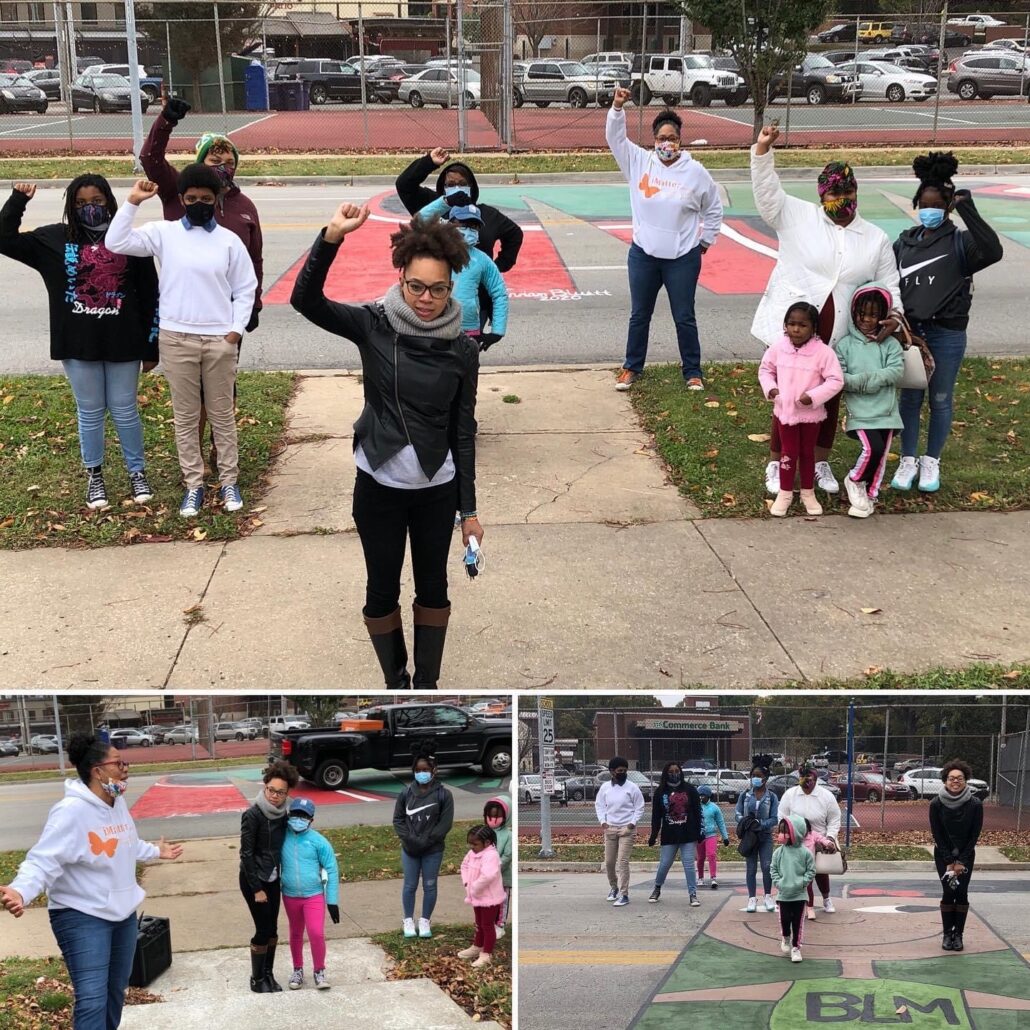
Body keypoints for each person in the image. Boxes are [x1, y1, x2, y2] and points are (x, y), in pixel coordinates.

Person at [290, 204, 483, 689]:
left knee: (434, 589)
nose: (426, 298)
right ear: (401, 280)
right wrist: (331, 236)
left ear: (451, 288)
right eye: (416, 286)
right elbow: (305, 301)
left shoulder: (463, 350)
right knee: (381, 590)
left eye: (438, 288)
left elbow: (463, 430)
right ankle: (397, 682)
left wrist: (470, 511)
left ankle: (427, 684)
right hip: (378, 485)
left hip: (436, 491)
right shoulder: (373, 326)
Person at [751, 124, 902, 497]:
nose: (843, 198)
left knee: (828, 399)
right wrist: (763, 151)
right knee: (788, 396)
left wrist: (894, 315)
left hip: (841, 336)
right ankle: (778, 462)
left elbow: (889, 284)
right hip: (796, 330)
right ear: (822, 195)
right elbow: (768, 196)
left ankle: (819, 462)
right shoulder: (798, 216)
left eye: (848, 190)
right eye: (834, 192)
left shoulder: (875, 238)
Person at [0, 735, 183, 1029]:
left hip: (122, 915)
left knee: (115, 991)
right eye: (118, 763)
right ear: (97, 771)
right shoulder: (71, 812)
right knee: (92, 998)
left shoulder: (116, 803)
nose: (125, 769)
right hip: (81, 915)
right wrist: (21, 890)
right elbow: (43, 859)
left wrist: (156, 851)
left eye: (125, 763)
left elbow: (126, 843)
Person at [105, 171, 257, 519]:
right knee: (186, 417)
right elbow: (116, 242)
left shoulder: (229, 242)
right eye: (191, 199)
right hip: (176, 339)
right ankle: (194, 484)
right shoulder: (164, 233)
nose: (198, 205)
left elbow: (245, 288)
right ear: (182, 199)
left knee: (221, 415)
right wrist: (132, 202)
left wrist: (234, 331)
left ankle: (229, 480)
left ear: (216, 201)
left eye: (206, 199)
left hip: (219, 340)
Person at [0, 177, 159, 510]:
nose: (90, 208)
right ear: (71, 206)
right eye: (81, 202)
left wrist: (151, 346)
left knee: (125, 409)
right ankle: (95, 475)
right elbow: (4, 239)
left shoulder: (128, 238)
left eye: (98, 200)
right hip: (77, 342)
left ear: (110, 202)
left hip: (124, 341)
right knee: (89, 412)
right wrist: (17, 201)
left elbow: (150, 295)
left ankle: (137, 473)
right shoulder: (53, 239)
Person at [141, 98, 264, 475]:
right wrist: (166, 120)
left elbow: (254, 259)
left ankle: (218, 452)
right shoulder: (180, 195)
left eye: (229, 163)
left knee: (221, 392)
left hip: (226, 318)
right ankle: (192, 460)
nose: (223, 168)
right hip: (184, 317)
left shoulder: (244, 205)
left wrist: (252, 307)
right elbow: (151, 160)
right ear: (199, 164)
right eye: (214, 161)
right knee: (189, 395)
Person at [892, 152, 1003, 493]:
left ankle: (931, 461)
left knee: (940, 399)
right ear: (916, 203)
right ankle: (907, 459)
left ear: (947, 207)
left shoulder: (963, 243)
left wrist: (966, 206)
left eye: (937, 205)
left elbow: (993, 250)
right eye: (924, 204)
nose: (930, 211)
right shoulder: (905, 242)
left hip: (947, 335)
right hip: (912, 336)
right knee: (909, 400)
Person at [606, 90, 723, 391]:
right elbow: (615, 138)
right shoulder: (639, 162)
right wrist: (618, 107)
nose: (666, 144)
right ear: (654, 140)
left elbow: (713, 207)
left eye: (672, 138)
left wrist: (705, 241)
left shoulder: (696, 173)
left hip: (682, 258)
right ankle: (632, 367)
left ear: (680, 140)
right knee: (639, 314)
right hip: (644, 255)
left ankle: (692, 372)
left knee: (684, 316)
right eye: (661, 138)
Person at [758, 301, 844, 517]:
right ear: (785, 325)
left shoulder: (823, 353)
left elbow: (835, 380)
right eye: (791, 324)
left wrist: (813, 397)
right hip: (785, 413)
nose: (796, 329)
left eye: (802, 325)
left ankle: (808, 492)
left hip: (810, 416)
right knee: (788, 452)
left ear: (813, 327)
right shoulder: (779, 348)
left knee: (807, 453)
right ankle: (785, 493)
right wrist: (772, 390)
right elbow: (765, 370)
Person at [394, 146, 524, 286]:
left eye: (462, 184)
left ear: (471, 186)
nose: (457, 188)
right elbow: (404, 185)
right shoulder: (433, 206)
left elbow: (515, 234)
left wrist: (497, 267)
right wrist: (429, 162)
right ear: (443, 188)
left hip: (478, 297)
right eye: (450, 184)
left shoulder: (487, 214)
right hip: (438, 293)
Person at [834, 284, 905, 518]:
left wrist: (868, 379)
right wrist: (868, 381)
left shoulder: (890, 344)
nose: (866, 320)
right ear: (854, 312)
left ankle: (870, 495)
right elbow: (841, 378)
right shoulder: (844, 346)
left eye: (873, 315)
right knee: (871, 448)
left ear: (883, 317)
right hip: (860, 412)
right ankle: (854, 479)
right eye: (861, 314)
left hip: (887, 412)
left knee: (881, 455)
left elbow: (896, 372)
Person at [410, 202, 509, 349]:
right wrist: (445, 201)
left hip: (469, 330)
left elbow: (499, 292)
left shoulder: (482, 259)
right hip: (434, 326)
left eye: (474, 226)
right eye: (463, 224)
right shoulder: (435, 251)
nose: (469, 230)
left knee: (466, 371)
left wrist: (497, 331)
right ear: (449, 225)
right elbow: (418, 222)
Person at [240, 758, 299, 993]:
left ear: (287, 794)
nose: (274, 796)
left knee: (273, 929)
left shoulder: (285, 815)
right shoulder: (252, 815)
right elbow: (246, 854)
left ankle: (268, 974)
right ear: (265, 787)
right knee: (263, 929)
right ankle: (256, 979)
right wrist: (257, 888)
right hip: (254, 880)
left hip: (274, 879)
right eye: (271, 790)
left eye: (280, 792)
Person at [392, 753, 454, 939]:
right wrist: (410, 840)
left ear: (434, 770)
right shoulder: (405, 793)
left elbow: (445, 823)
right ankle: (408, 920)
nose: (421, 773)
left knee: (430, 885)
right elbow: (398, 820)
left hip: (432, 850)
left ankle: (425, 920)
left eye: (425, 770)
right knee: (410, 885)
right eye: (418, 770)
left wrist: (428, 840)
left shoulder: (444, 794)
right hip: (410, 849)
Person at [281, 797, 340, 991]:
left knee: (316, 932)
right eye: (295, 814)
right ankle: (298, 970)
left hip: (313, 895)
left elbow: (331, 869)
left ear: (311, 819)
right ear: (289, 815)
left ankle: (319, 971)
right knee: (296, 933)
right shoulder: (281, 837)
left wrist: (332, 901)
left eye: (304, 816)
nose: (299, 819)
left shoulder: (318, 841)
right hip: (290, 895)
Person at [929, 759, 983, 952]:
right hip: (943, 856)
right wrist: (949, 861)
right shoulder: (936, 804)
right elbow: (937, 834)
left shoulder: (975, 804)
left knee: (961, 892)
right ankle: (946, 934)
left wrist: (961, 860)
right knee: (948, 892)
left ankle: (958, 935)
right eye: (951, 778)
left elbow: (974, 835)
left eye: (960, 778)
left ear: (965, 780)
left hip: (966, 855)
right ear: (945, 781)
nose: (955, 781)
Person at [778, 763, 841, 920]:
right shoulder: (790, 794)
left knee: (821, 872)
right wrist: (787, 835)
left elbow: (834, 818)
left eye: (810, 780)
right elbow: (782, 816)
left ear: (816, 779)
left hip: (819, 840)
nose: (806, 783)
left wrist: (830, 837)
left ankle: (826, 899)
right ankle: (804, 904)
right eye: (802, 779)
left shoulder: (826, 796)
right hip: (796, 841)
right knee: (801, 875)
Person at [647, 761, 703, 907]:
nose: (674, 774)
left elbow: (698, 812)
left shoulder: (690, 790)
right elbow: (656, 816)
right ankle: (657, 888)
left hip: (688, 834)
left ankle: (692, 893)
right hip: (669, 834)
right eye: (671, 772)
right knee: (665, 864)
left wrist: (699, 832)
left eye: (677, 771)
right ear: (666, 773)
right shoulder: (660, 792)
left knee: (689, 865)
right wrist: (654, 834)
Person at [595, 755, 645, 907]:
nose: (622, 773)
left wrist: (631, 824)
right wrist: (603, 822)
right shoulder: (605, 788)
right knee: (609, 863)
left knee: (622, 862)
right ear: (611, 771)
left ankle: (624, 894)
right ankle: (614, 887)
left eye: (625, 770)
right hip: (610, 829)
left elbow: (639, 807)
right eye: (619, 770)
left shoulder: (632, 788)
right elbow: (599, 805)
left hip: (626, 830)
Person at [458, 825, 506, 969]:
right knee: (479, 923)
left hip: (489, 898)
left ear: (487, 842)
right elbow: (464, 866)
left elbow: (488, 876)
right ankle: (477, 946)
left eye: (475, 844)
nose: (472, 847)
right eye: (470, 843)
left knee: (487, 925)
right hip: (476, 896)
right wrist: (467, 883)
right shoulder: (472, 853)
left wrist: (475, 888)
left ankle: (486, 953)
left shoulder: (491, 855)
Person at [771, 814, 816, 964]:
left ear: (795, 833)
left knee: (797, 922)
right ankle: (785, 937)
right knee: (785, 920)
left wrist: (803, 882)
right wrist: (779, 883)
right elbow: (773, 870)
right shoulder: (778, 853)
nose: (781, 835)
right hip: (783, 895)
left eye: (785, 831)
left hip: (799, 895)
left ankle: (796, 948)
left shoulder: (805, 853)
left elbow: (811, 870)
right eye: (781, 831)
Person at [735, 763, 779, 913]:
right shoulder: (745, 795)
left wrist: (760, 824)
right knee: (751, 868)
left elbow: (774, 818)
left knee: (767, 866)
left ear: (765, 778)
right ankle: (751, 898)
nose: (755, 778)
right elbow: (737, 813)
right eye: (753, 776)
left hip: (765, 836)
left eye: (759, 776)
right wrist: (746, 822)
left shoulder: (772, 797)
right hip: (749, 837)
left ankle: (768, 895)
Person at [484, 794, 512, 937]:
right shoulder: (483, 833)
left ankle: (500, 924)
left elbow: (507, 856)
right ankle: (487, 923)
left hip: (502, 876)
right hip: (484, 877)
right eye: (490, 816)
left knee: (502, 902)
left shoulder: (508, 835)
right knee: (488, 901)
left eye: (497, 817)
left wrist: (495, 869)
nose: (493, 820)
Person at [695, 783, 730, 889]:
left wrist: (725, 837)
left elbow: (720, 823)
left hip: (711, 835)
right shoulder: (695, 807)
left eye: (703, 795)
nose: (701, 797)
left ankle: (713, 878)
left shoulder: (714, 808)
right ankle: (700, 877)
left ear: (708, 796)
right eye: (699, 795)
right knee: (700, 858)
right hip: (699, 836)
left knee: (711, 855)